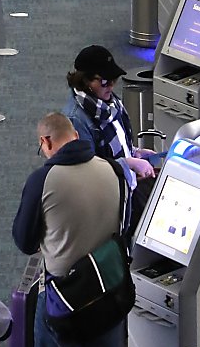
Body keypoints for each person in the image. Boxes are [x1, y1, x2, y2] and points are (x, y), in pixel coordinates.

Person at [10, 111, 126, 347]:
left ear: (46, 142)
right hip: (108, 291)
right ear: (74, 134)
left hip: (64, 298)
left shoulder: (44, 179)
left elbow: (24, 240)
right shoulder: (109, 169)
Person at [64, 45, 155, 235]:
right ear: (85, 81)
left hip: (125, 186)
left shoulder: (108, 103)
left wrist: (135, 152)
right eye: (105, 81)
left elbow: (117, 143)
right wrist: (128, 162)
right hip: (107, 201)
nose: (111, 86)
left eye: (113, 80)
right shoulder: (76, 119)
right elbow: (87, 170)